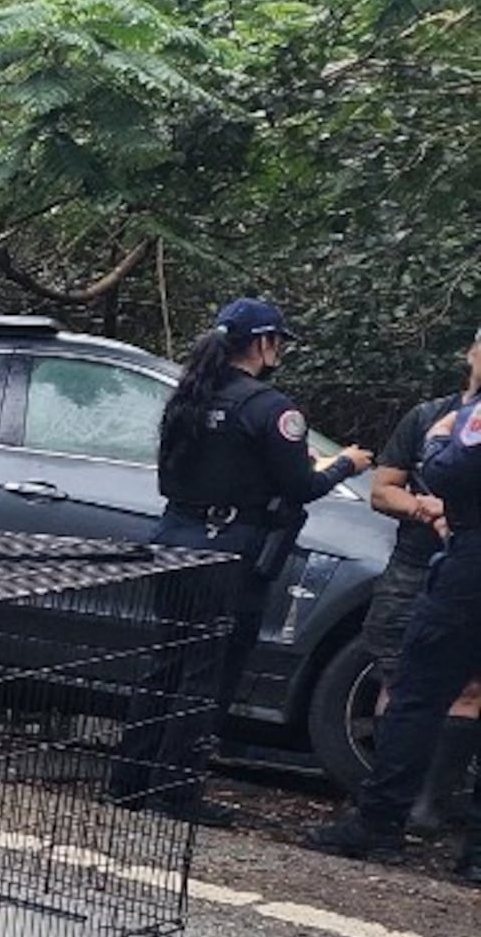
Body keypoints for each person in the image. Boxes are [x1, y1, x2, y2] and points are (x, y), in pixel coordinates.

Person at [108, 298, 372, 825]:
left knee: (167, 662)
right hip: (227, 552)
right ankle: (177, 794)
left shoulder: (188, 396)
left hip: (175, 537)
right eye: (279, 342)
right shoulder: (271, 410)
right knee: (207, 674)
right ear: (264, 343)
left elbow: (169, 478)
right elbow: (302, 485)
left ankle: (131, 780)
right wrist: (345, 463)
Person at [312, 376, 481, 882]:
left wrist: (438, 440)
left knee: (417, 692)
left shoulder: (467, 415)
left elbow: (450, 471)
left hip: (470, 567)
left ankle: (379, 821)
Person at [360, 330, 481, 834]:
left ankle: (413, 811)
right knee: (401, 681)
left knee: (449, 692)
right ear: (471, 352)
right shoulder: (427, 412)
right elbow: (383, 489)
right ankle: (387, 808)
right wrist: (422, 508)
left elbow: (449, 470)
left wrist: (447, 494)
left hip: (464, 568)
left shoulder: (459, 425)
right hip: (418, 566)